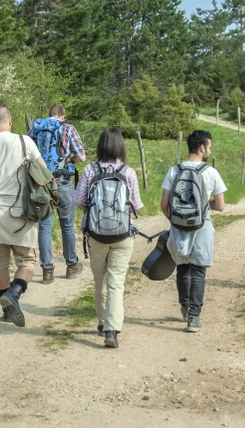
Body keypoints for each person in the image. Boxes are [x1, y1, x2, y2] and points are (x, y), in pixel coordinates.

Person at [0, 103, 48, 327]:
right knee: (27, 261)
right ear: (10, 121)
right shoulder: (25, 142)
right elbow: (43, 173)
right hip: (21, 212)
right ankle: (14, 294)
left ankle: (6, 309)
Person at [74, 127, 144, 349]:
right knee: (116, 282)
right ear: (120, 146)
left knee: (99, 280)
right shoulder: (129, 172)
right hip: (123, 235)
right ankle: (112, 331)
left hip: (96, 235)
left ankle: (103, 322)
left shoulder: (89, 170)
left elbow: (80, 201)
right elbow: (137, 206)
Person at [161, 130, 226, 333]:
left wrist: (178, 219)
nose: (209, 150)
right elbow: (221, 206)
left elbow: (164, 205)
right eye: (209, 147)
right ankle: (194, 318)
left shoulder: (174, 170)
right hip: (202, 226)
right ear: (201, 147)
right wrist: (202, 207)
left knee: (183, 268)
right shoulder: (210, 172)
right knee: (199, 271)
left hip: (178, 226)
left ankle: (185, 306)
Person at [29, 105, 86, 283]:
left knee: (44, 228)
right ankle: (71, 266)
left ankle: (47, 271)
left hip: (43, 183)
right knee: (67, 226)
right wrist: (69, 159)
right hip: (63, 182)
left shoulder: (36, 128)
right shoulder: (68, 128)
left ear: (49, 116)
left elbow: (29, 156)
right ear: (62, 116)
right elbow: (82, 157)